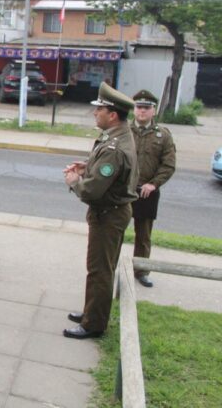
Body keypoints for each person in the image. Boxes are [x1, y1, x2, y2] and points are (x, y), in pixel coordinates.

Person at [64, 82, 138, 339]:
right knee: (100, 268)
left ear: (113, 114)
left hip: (108, 215)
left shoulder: (114, 148)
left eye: (100, 109)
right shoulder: (118, 136)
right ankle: (91, 311)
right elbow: (110, 170)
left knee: (100, 270)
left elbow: (93, 191)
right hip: (113, 212)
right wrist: (88, 167)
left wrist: (76, 182)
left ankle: (93, 324)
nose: (95, 113)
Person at [130, 89, 176, 287]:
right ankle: (111, 268)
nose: (142, 111)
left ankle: (141, 270)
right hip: (123, 190)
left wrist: (154, 183)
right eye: (139, 107)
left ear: (153, 111)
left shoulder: (163, 135)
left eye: (146, 108)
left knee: (143, 235)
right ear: (134, 109)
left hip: (146, 191)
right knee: (114, 232)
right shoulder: (122, 130)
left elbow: (168, 165)